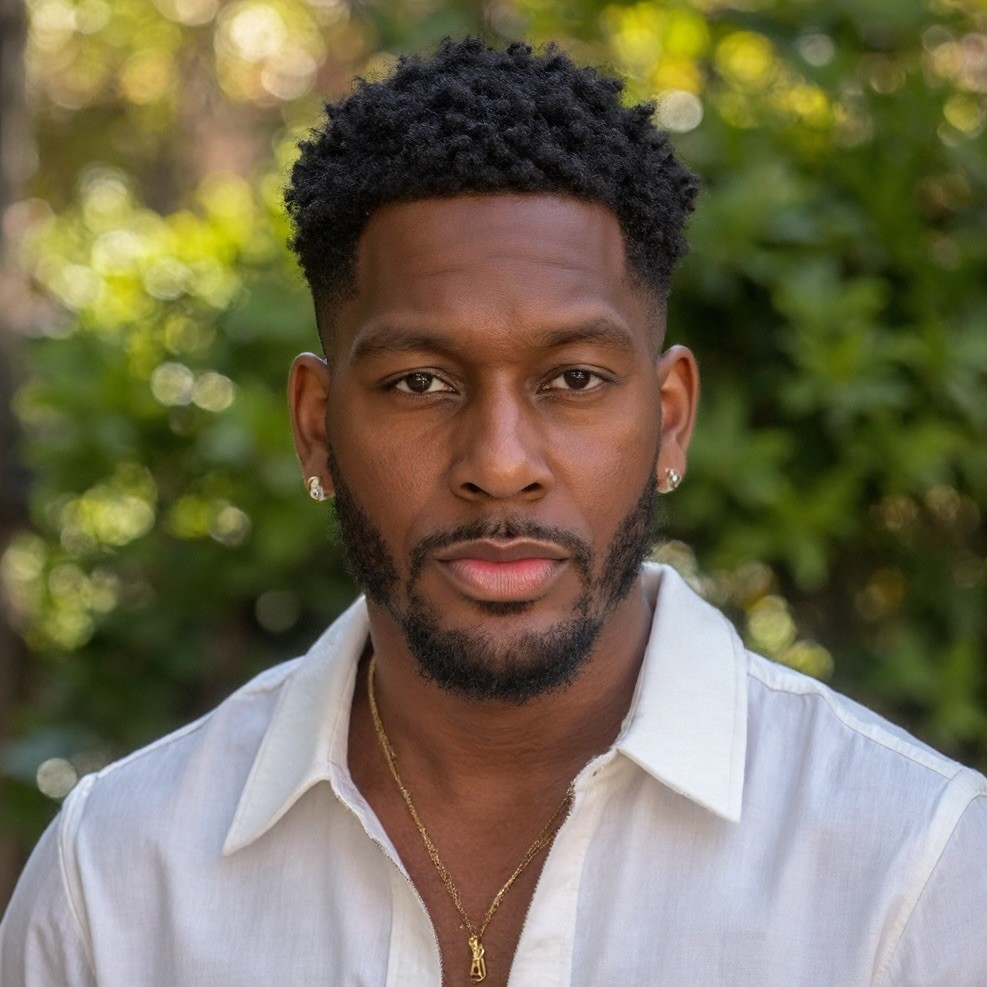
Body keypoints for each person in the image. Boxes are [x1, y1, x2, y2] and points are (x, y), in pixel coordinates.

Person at [1, 36, 985, 987]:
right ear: (315, 426)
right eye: (420, 381)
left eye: (575, 377)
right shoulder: (118, 878)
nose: (501, 466)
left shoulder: (915, 866)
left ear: (671, 419)